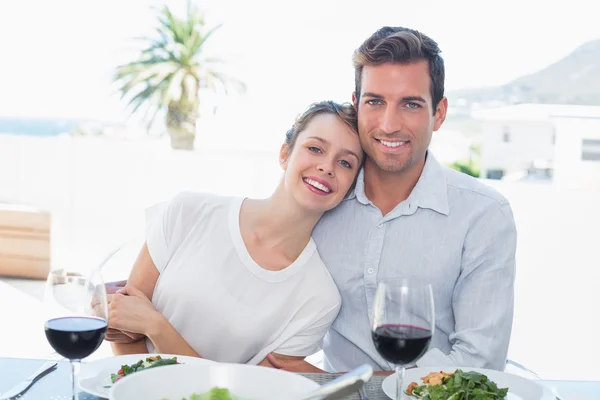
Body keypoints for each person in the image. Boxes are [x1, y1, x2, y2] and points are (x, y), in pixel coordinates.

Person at [266, 26, 517, 373]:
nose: (388, 125)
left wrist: (341, 386)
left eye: (411, 104)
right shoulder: (323, 197)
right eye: (375, 102)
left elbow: (479, 363)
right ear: (356, 106)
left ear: (439, 113)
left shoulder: (484, 216)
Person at [102, 100, 364, 366]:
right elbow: (124, 328)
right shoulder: (188, 211)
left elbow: (240, 391)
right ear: (285, 154)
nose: (327, 167)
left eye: (345, 163)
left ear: (352, 186)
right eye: (315, 148)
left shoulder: (319, 299)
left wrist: (156, 327)